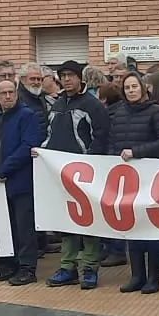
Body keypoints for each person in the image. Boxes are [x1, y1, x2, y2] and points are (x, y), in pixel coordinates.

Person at [44, 60, 113, 289]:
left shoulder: (92, 105)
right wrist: (42, 152)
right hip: (59, 174)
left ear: (80, 78)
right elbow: (50, 134)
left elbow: (101, 137)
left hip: (86, 174)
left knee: (88, 221)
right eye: (62, 76)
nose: (66, 80)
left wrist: (90, 162)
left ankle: (90, 268)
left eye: (70, 75)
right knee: (65, 221)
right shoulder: (57, 104)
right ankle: (67, 267)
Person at [109, 72, 159, 293]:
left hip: (149, 177)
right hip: (127, 180)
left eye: (134, 87)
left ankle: (153, 277)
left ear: (143, 88)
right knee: (132, 227)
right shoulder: (118, 113)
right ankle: (137, 275)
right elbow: (112, 143)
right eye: (127, 88)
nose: (131, 91)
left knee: (150, 227)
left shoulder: (156, 111)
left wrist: (136, 152)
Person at [0, 80, 45, 285]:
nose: (8, 96)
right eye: (4, 93)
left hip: (21, 180)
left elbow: (29, 145)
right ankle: (8, 264)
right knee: (6, 225)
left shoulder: (27, 116)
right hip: (0, 182)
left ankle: (27, 268)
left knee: (23, 226)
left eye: (11, 92)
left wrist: (5, 169)